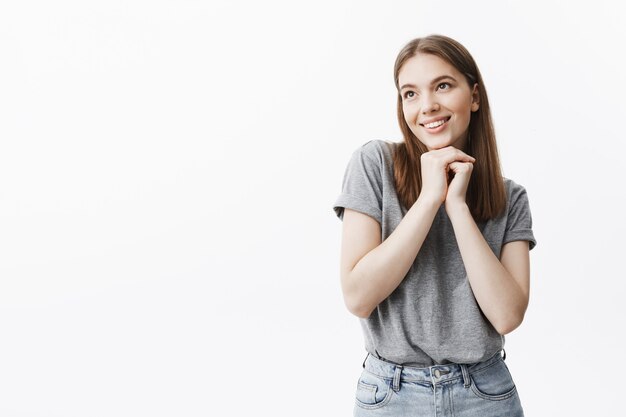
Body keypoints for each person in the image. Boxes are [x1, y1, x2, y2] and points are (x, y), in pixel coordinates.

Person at [332, 34, 537, 417]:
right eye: (410, 93)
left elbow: (507, 315)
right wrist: (429, 199)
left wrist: (457, 206)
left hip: (485, 395)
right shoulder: (374, 165)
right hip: (391, 395)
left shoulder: (511, 198)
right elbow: (358, 297)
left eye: (442, 86)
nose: (427, 106)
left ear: (474, 96)